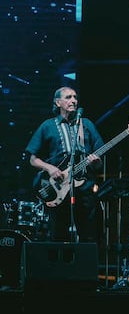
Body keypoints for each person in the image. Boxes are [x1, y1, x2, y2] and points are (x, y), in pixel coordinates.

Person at [24, 86, 104, 244]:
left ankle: (86, 268)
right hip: (58, 188)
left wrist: (96, 162)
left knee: (89, 236)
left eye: (75, 97)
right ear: (57, 102)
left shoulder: (86, 124)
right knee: (58, 235)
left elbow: (98, 160)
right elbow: (32, 158)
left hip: (85, 187)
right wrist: (50, 168)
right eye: (68, 97)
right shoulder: (48, 126)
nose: (73, 100)